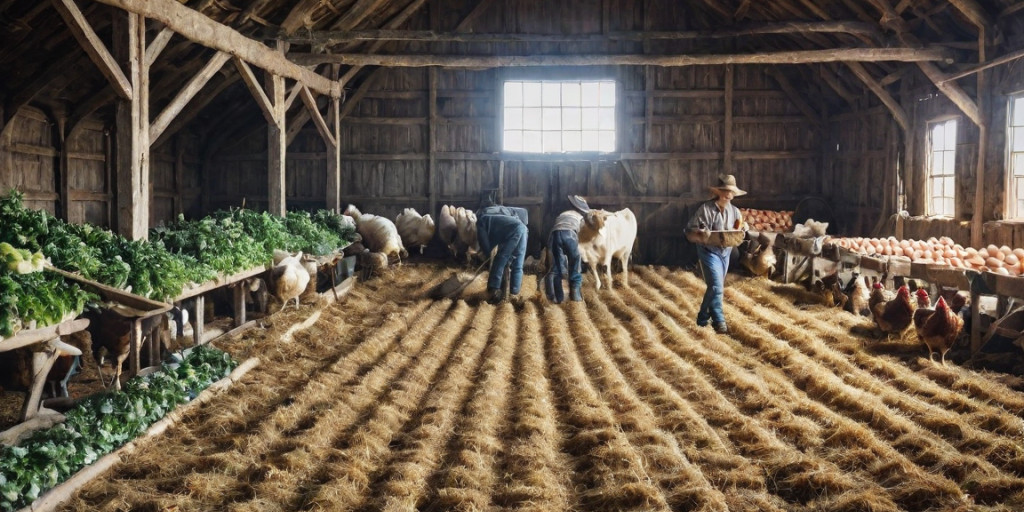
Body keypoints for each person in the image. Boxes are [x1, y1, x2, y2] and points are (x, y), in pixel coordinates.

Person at [685, 174, 747, 334]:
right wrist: (700, 232)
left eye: (731, 191)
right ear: (718, 191)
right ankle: (717, 321)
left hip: (725, 251)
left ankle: (705, 316)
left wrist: (743, 229)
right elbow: (690, 228)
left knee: (716, 286)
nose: (729, 194)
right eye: (725, 190)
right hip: (708, 251)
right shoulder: (706, 209)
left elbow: (738, 230)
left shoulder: (735, 212)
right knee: (716, 286)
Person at [476, 203, 529, 304]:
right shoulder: (507, 216)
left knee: (501, 257)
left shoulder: (481, 220)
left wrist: (488, 254)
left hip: (516, 229)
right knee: (518, 263)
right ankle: (514, 294)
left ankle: (493, 290)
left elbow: (484, 242)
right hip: (524, 229)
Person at [545, 209, 584, 303]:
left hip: (555, 234)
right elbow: (580, 235)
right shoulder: (581, 218)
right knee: (575, 260)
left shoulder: (562, 214)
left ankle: (557, 298)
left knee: (558, 267)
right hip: (570, 233)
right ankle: (575, 295)